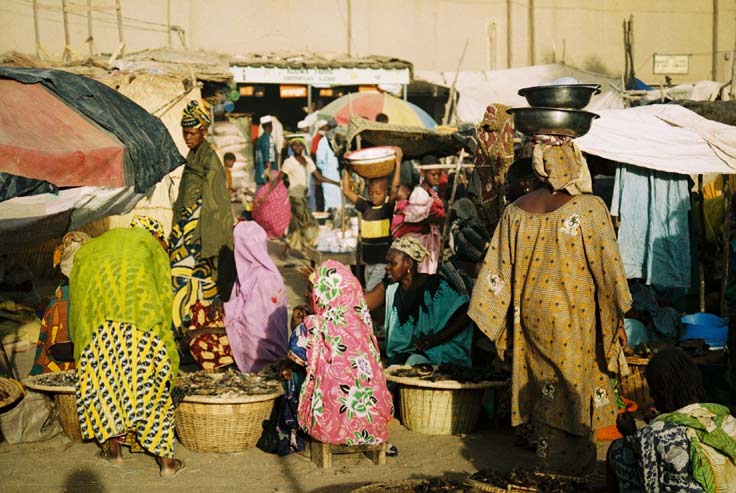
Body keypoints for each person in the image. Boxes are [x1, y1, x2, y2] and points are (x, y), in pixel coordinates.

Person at [468, 135, 632, 476]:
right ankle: (565, 472)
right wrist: (616, 322)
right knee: (572, 393)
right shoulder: (589, 208)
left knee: (544, 391)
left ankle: (549, 464)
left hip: (530, 320)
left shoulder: (515, 212)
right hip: (575, 320)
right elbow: (610, 273)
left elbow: (495, 273)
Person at [54, 216, 182, 477]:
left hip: (97, 329)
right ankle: (167, 463)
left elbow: (78, 298)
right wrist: (168, 352)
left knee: (106, 388)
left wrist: (82, 340)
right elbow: (163, 300)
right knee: (152, 391)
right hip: (141, 327)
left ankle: (114, 453)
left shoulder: (96, 247)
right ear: (157, 235)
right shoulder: (150, 246)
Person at [280, 260, 393, 453]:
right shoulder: (362, 324)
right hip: (372, 425)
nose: (308, 295)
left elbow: (296, 358)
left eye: (311, 290)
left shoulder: (313, 326)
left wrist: (297, 324)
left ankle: (296, 428)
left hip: (329, 427)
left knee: (291, 374)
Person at [608, 349, 736, 492]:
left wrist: (630, 435)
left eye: (654, 395)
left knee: (618, 449)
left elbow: (649, 482)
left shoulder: (654, 434)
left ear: (661, 394)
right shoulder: (729, 420)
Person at [170, 100, 234, 340]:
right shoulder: (193, 156)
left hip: (201, 237)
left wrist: (205, 240)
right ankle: (182, 334)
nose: (187, 137)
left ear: (203, 131)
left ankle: (199, 338)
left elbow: (215, 205)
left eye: (192, 133)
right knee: (179, 286)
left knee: (198, 288)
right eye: (185, 133)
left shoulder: (210, 160)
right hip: (186, 235)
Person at [364, 237, 474, 367]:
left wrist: (436, 339)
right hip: (409, 353)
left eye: (392, 263)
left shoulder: (436, 287)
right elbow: (361, 304)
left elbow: (467, 313)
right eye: (386, 263)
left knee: (412, 364)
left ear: (408, 264)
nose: (387, 267)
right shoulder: (390, 287)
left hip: (441, 349)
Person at [223, 221, 288, 373]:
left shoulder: (263, 278)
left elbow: (251, 324)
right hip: (257, 336)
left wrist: (224, 325)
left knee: (201, 341)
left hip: (261, 347)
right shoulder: (253, 272)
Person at [261, 138, 339, 256]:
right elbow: (278, 179)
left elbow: (318, 176)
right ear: (291, 148)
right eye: (294, 146)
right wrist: (266, 194)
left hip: (304, 195)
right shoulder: (289, 162)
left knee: (295, 225)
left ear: (303, 147)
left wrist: (335, 182)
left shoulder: (307, 160)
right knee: (308, 221)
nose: (297, 148)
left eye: (299, 145)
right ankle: (311, 247)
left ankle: (286, 251)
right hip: (295, 196)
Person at [30, 231, 91, 375]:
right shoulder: (93, 295)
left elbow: (56, 346)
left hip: (59, 365)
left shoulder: (60, 299)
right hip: (78, 367)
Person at [342, 147, 402, 291]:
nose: (374, 196)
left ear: (385, 193)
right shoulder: (365, 207)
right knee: (371, 290)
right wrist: (347, 169)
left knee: (370, 291)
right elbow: (347, 191)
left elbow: (395, 188)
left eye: (378, 193)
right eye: (371, 193)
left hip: (382, 262)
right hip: (368, 262)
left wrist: (398, 163)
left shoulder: (387, 208)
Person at [391, 156, 446, 274]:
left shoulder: (431, 192)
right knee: (421, 271)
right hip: (420, 242)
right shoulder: (419, 192)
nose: (436, 177)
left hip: (429, 241)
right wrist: (436, 217)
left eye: (438, 174)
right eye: (433, 174)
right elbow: (414, 217)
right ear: (423, 173)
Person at [315, 120, 342, 211]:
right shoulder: (323, 142)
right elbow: (320, 162)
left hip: (340, 176)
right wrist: (328, 170)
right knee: (330, 203)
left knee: (341, 202)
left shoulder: (341, 140)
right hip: (328, 176)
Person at [254, 115, 280, 189]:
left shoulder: (260, 139)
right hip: (266, 177)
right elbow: (269, 156)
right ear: (270, 125)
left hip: (259, 174)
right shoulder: (269, 139)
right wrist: (270, 175)